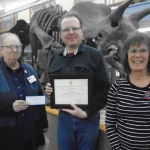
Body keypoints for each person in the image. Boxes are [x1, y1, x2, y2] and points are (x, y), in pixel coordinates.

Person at [45, 13, 110, 150]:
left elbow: (104, 90)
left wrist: (86, 112)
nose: (71, 33)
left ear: (82, 31)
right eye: (66, 29)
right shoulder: (55, 57)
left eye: (74, 28)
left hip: (88, 119)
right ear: (61, 33)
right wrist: (50, 91)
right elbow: (49, 83)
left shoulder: (95, 55)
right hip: (64, 119)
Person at [0, 32, 48, 150]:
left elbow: (39, 98)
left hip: (31, 133)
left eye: (18, 46)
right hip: (6, 135)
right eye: (10, 46)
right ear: (1, 50)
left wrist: (44, 128)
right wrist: (10, 107)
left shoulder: (30, 70)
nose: (15, 50)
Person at [106, 31, 150, 150]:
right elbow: (110, 125)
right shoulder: (117, 88)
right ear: (127, 55)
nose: (137, 55)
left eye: (143, 50)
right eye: (133, 51)